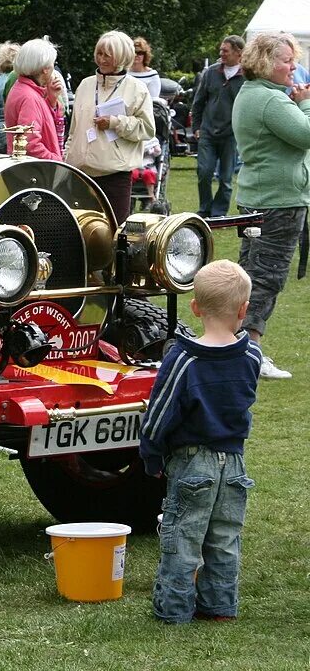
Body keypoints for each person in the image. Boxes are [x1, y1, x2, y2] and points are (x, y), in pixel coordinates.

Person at [140, 260, 260, 624]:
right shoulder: (251, 355)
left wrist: (151, 455)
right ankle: (220, 606)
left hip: (193, 463)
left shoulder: (183, 358)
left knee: (182, 538)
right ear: (243, 310)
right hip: (235, 463)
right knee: (224, 539)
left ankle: (173, 610)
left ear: (194, 307)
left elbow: (160, 414)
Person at [232, 31, 310, 380]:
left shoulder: (251, 93)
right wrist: (305, 103)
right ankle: (250, 350)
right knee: (267, 277)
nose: (293, 66)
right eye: (286, 59)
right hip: (278, 201)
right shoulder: (271, 101)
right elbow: (306, 134)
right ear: (265, 62)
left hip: (256, 196)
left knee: (248, 275)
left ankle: (234, 344)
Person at [65, 30, 156, 224]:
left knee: (112, 233)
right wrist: (68, 156)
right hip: (80, 174)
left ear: (122, 57)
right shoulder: (85, 85)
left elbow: (147, 129)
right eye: (99, 53)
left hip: (114, 176)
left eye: (108, 55)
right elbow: (74, 129)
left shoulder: (137, 89)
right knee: (79, 231)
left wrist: (115, 122)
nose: (102, 59)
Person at [191, 35, 245, 218]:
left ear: (239, 53)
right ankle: (204, 209)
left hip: (231, 135)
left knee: (226, 178)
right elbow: (198, 102)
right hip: (207, 132)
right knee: (204, 172)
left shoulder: (247, 76)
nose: (221, 53)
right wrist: (196, 127)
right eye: (221, 49)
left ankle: (218, 212)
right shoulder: (211, 72)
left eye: (225, 50)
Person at [3, 38, 63, 160]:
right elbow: (30, 145)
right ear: (45, 68)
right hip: (35, 172)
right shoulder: (29, 97)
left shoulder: (23, 89)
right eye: (53, 64)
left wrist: (51, 100)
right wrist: (56, 161)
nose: (53, 68)